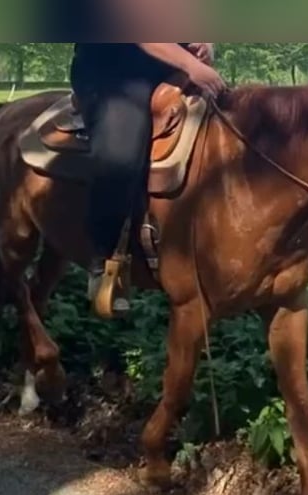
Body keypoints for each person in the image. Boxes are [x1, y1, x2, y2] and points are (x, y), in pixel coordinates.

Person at [69, 43, 226, 316]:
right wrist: (192, 65)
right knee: (120, 158)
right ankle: (105, 256)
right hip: (115, 74)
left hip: (172, 69)